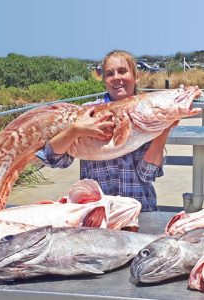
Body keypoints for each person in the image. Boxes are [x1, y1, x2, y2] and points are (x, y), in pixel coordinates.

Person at [36, 50, 173, 212]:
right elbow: (54, 159)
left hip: (139, 210)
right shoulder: (87, 112)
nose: (116, 77)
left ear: (136, 76)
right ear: (105, 80)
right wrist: (76, 130)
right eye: (110, 73)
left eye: (122, 71)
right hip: (97, 213)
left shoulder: (150, 112)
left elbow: (148, 173)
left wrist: (164, 128)